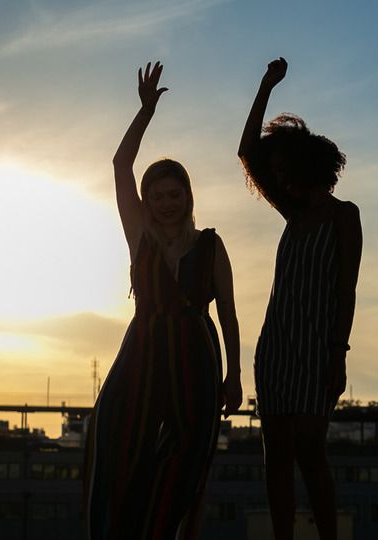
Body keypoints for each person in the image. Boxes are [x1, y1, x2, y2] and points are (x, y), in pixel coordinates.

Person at [84, 61, 242, 540]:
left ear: (188, 197)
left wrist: (234, 376)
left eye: (175, 194)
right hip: (142, 353)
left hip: (194, 358)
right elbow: (119, 165)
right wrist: (146, 110)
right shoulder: (140, 239)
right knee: (117, 445)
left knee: (186, 459)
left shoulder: (211, 245)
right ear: (147, 202)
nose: (167, 203)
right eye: (158, 196)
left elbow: (230, 316)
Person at [237, 57, 362, 540]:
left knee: (311, 448)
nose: (280, 176)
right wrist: (265, 85)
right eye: (277, 169)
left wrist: (338, 352)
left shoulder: (344, 216)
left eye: (287, 168)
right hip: (276, 347)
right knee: (277, 455)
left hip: (318, 348)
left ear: (312, 167)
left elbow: (346, 289)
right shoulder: (289, 211)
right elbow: (246, 149)